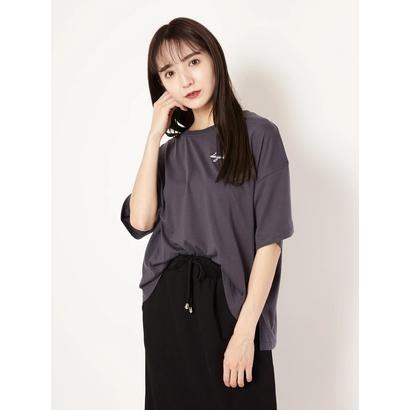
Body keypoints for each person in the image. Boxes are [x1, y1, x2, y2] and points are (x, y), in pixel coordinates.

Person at [120, 17, 294, 410]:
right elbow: (141, 221)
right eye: (169, 72)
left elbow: (270, 243)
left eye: (193, 62)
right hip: (168, 304)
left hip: (232, 307)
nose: (185, 79)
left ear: (214, 59)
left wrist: (245, 332)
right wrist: (153, 135)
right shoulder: (168, 154)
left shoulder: (259, 136)